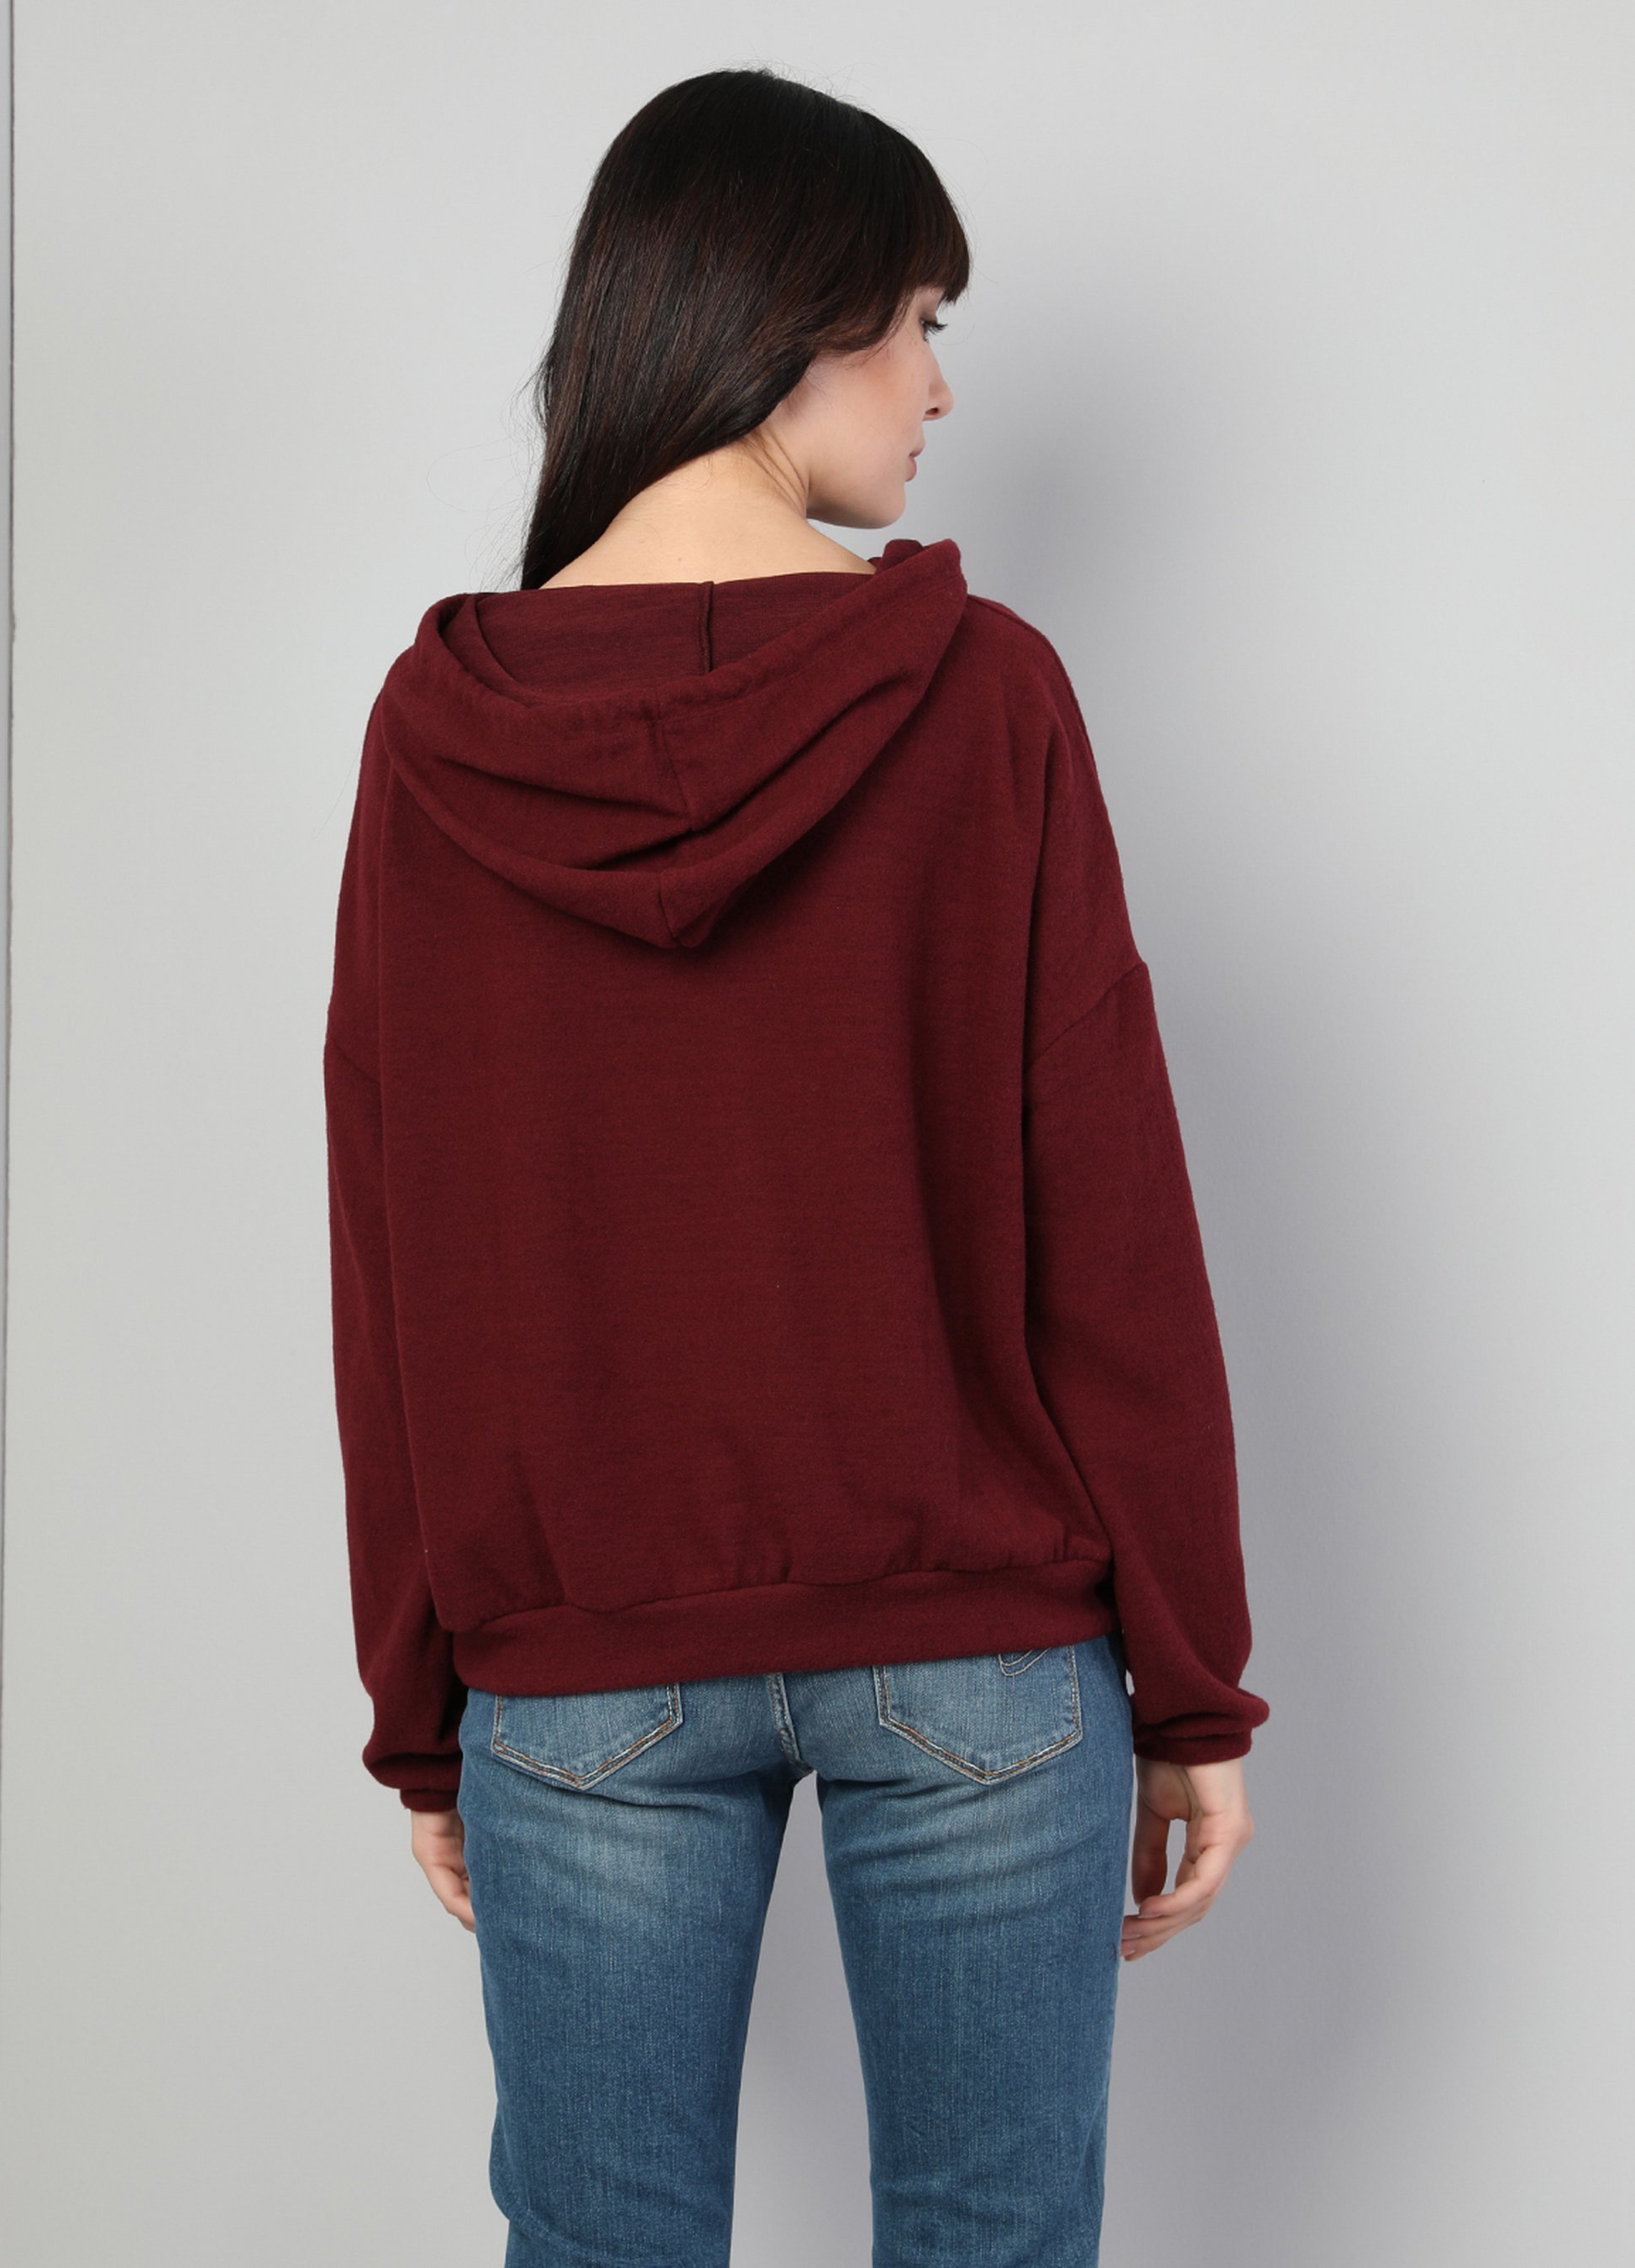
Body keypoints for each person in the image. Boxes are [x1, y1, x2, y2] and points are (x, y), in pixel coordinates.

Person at [322, 63, 1268, 2268]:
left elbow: (393, 1250)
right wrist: (1191, 1676)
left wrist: (422, 1707)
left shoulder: (436, 733)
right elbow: (1109, 1218)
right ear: (791, 314)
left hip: (579, 1660)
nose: (938, 388)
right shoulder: (985, 696)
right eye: (919, 322)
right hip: (981, 1653)